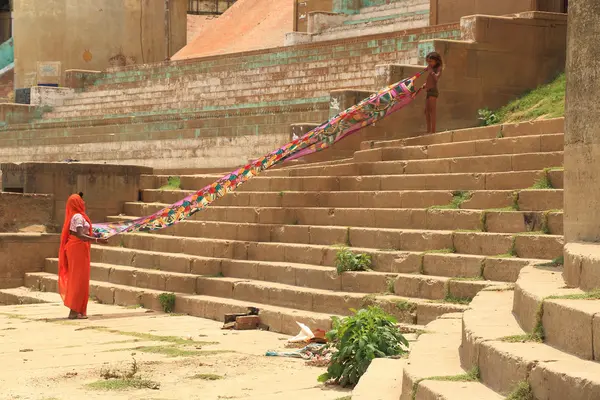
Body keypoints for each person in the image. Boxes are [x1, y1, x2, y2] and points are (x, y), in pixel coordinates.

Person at [58, 194, 107, 319]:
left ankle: (76, 310)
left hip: (78, 249)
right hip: (77, 249)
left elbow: (82, 231)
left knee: (79, 279)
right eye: (81, 200)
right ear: (76, 203)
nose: (83, 202)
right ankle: (74, 310)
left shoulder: (76, 216)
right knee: (78, 279)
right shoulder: (78, 216)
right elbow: (80, 235)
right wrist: (97, 240)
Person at [423, 52, 443, 133]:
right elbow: (430, 80)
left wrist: (431, 71)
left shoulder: (439, 68)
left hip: (433, 92)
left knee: (432, 111)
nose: (429, 63)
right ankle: (428, 131)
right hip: (428, 91)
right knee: (426, 111)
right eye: (428, 62)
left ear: (436, 61)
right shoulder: (431, 69)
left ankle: (433, 131)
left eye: (431, 61)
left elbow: (436, 78)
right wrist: (425, 85)